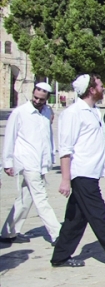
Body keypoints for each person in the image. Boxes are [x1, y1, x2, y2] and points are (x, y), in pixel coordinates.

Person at [51, 74, 105, 269]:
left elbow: (99, 144)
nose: (103, 87)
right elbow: (65, 150)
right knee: (98, 214)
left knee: (76, 218)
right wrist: (65, 180)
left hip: (92, 171)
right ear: (91, 89)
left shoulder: (93, 112)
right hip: (81, 173)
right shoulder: (73, 113)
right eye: (100, 85)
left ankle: (60, 256)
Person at [2, 82, 61, 244]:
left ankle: (8, 231)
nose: (37, 101)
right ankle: (57, 233)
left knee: (25, 197)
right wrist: (7, 162)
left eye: (41, 99)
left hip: (40, 161)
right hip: (27, 161)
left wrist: (50, 156)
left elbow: (47, 137)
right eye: (35, 97)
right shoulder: (20, 113)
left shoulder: (48, 112)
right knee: (41, 198)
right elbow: (10, 137)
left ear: (47, 99)